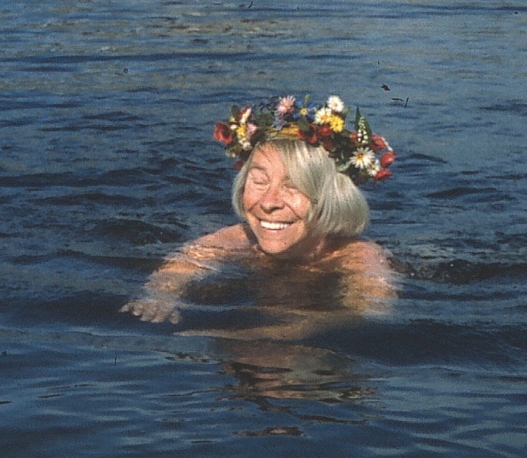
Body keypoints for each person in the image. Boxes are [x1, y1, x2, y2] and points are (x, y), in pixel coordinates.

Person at [121, 94, 396, 333]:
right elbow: (183, 266)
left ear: (331, 198)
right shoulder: (238, 240)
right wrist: (160, 295)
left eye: (293, 186)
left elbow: (366, 313)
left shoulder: (356, 257)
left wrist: (272, 336)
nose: (269, 202)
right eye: (259, 182)